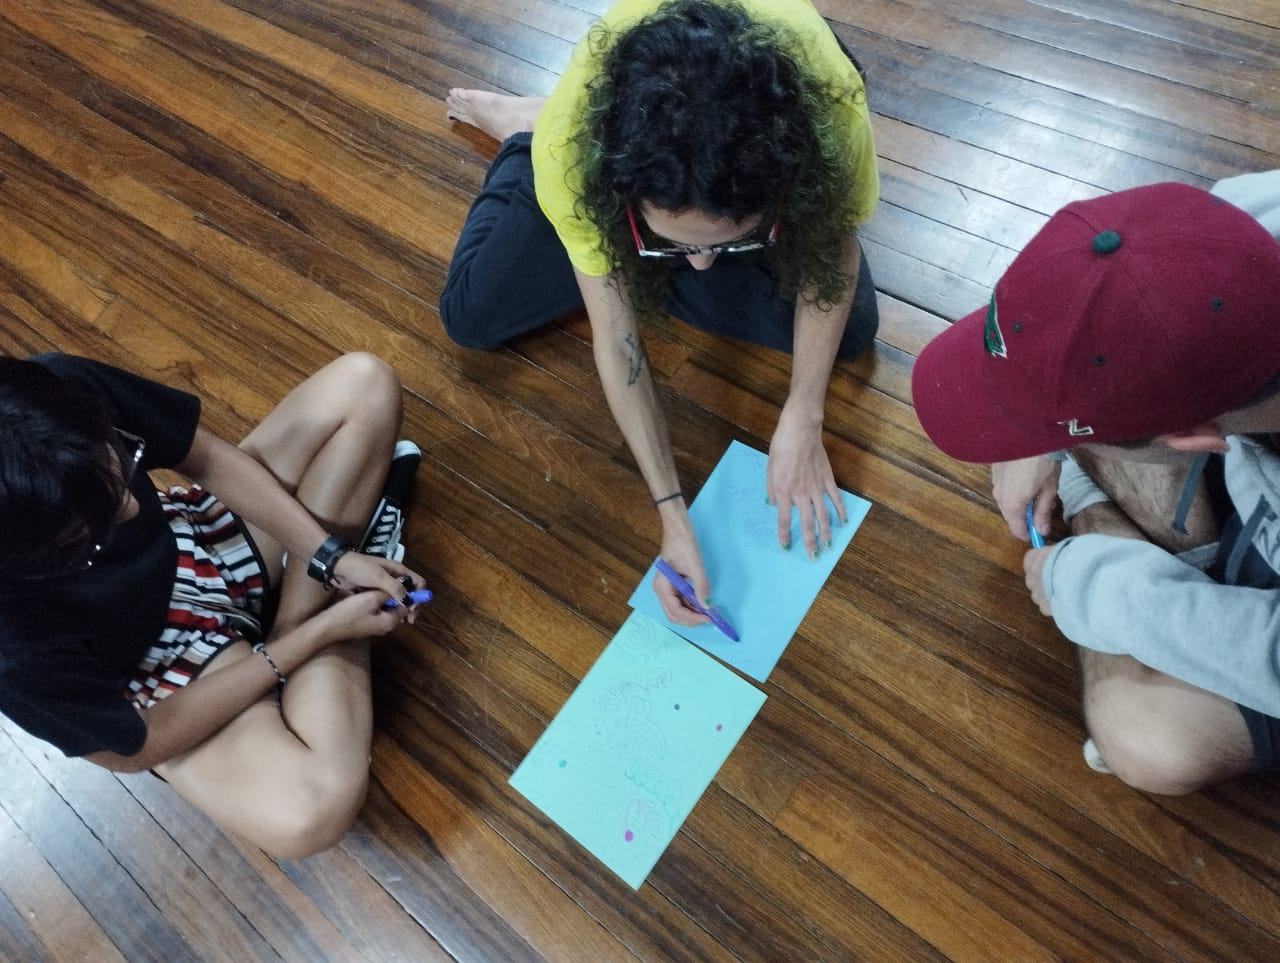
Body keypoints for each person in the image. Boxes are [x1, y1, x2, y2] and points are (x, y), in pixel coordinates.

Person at [440, 0, 879, 627]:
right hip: (569, 151)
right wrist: (672, 514)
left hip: (731, 172)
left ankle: (683, 242)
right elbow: (617, 336)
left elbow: (834, 249)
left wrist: (803, 414)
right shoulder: (575, 151)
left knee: (851, 329)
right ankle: (522, 131)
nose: (701, 265)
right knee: (471, 317)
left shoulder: (833, 115)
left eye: (729, 240)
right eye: (676, 242)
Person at [911, 172, 1280, 795]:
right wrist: (1047, 437)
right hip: (1245, 459)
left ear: (1190, 436)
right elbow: (1126, 294)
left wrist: (1085, 584)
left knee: (1150, 743)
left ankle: (1101, 526)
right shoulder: (1232, 220)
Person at [0, 351, 427, 858]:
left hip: (193, 542)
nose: (134, 507)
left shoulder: (45, 402)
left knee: (364, 384)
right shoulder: (10, 649)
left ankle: (329, 582)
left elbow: (204, 458)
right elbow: (135, 747)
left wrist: (328, 556)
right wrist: (315, 635)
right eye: (92, 527)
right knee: (309, 813)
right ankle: (340, 582)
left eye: (121, 464)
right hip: (153, 667)